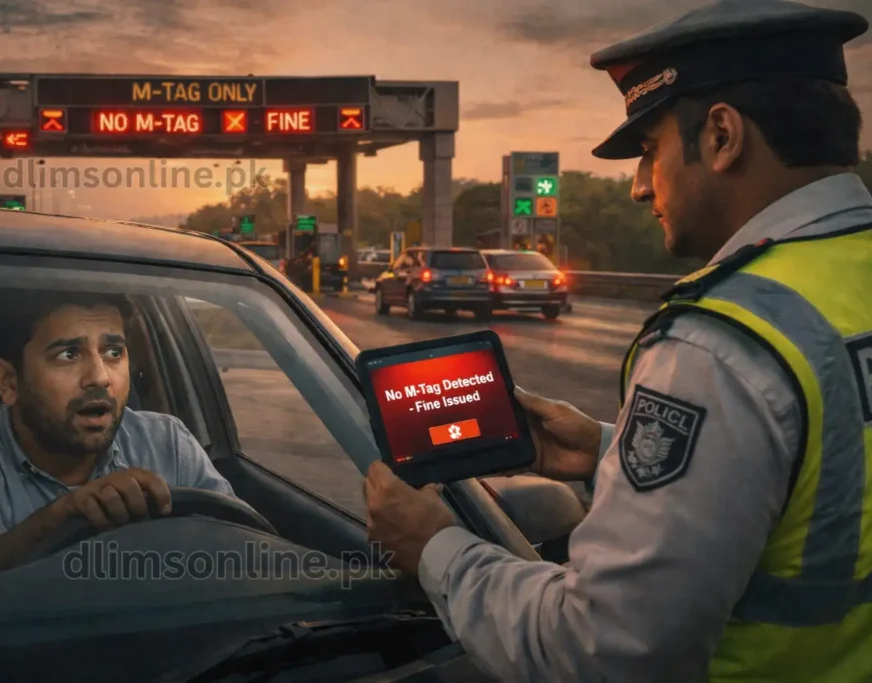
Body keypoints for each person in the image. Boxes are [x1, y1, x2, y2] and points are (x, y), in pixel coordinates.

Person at [363, 1, 872, 681]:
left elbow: (605, 649)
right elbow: (828, 476)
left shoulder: (718, 345)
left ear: (722, 136)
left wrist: (433, 548)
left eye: (650, 150)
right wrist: (610, 451)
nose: (637, 186)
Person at [0, 288, 241, 584]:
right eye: (69, 354)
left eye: (113, 352)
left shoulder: (168, 443)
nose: (100, 377)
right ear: (7, 381)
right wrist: (71, 514)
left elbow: (242, 555)